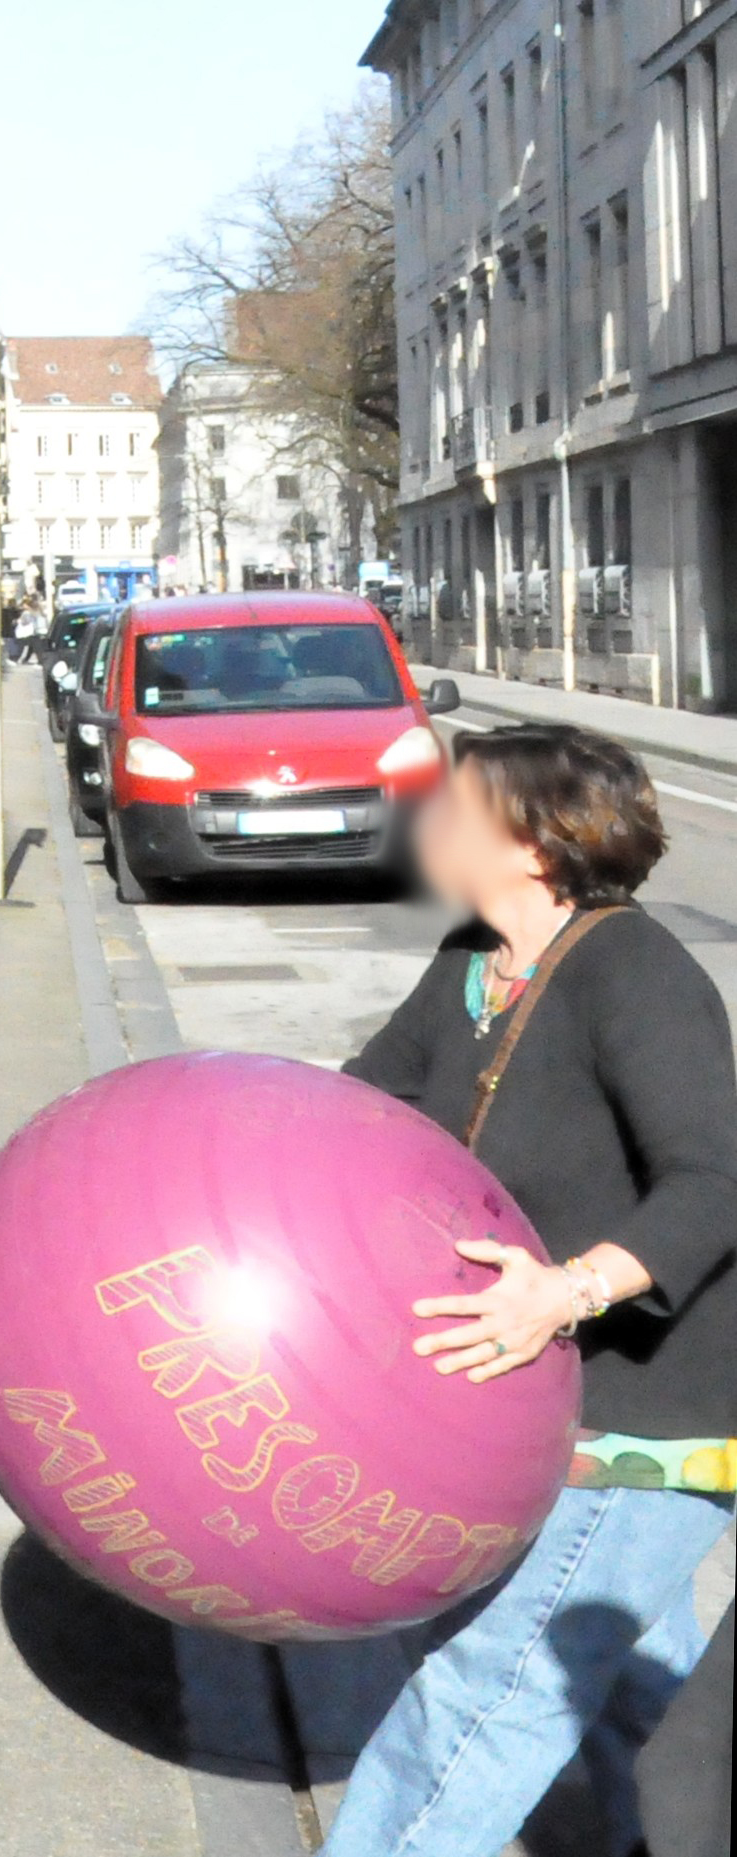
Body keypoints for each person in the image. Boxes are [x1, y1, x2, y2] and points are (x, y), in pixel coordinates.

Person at [325, 724, 737, 1857]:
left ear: (535, 847)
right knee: (615, 1699)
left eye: (459, 806)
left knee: (484, 1691)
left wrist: (565, 1291)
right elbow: (367, 1112)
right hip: (514, 1395)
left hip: (643, 1415)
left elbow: (716, 1179)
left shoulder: (634, 970)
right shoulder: (472, 956)